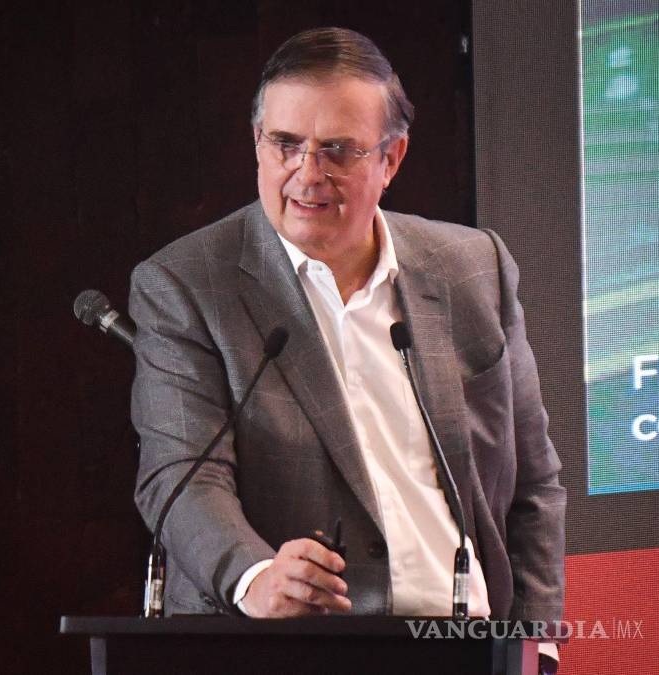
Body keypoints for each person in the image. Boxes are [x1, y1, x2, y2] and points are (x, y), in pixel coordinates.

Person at [129, 26, 564, 669]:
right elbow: (181, 475)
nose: (308, 174)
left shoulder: (473, 268)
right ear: (257, 143)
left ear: (392, 159)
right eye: (286, 144)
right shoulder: (188, 285)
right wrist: (255, 577)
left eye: (337, 149)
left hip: (468, 648)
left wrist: (538, 648)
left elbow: (533, 482)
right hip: (299, 650)